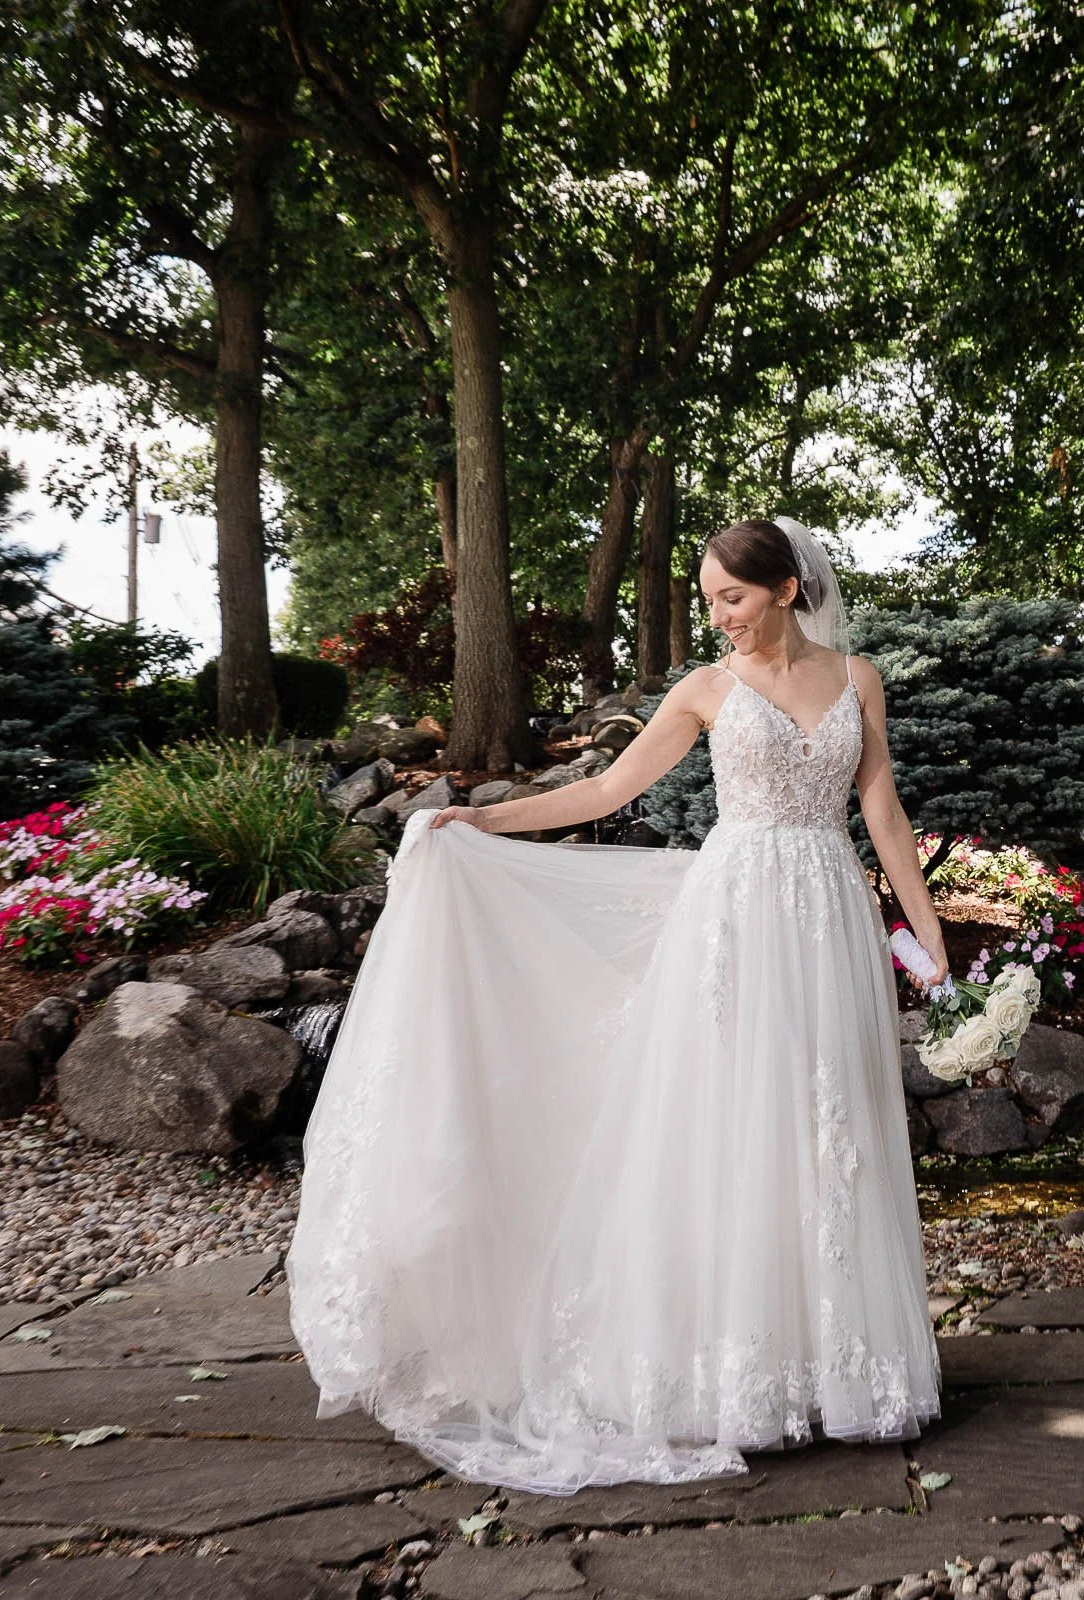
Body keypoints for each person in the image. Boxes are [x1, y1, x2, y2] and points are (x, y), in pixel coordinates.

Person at [286, 516, 949, 1495]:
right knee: (730, 1131)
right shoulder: (706, 691)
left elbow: (882, 806)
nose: (718, 616)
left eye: (732, 596)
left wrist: (928, 936)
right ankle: (732, 1373)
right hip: (735, 920)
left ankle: (837, 1367)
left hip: (829, 920)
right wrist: (483, 817)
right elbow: (606, 786)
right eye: (710, 597)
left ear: (786, 589)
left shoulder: (857, 680)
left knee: (827, 1127)